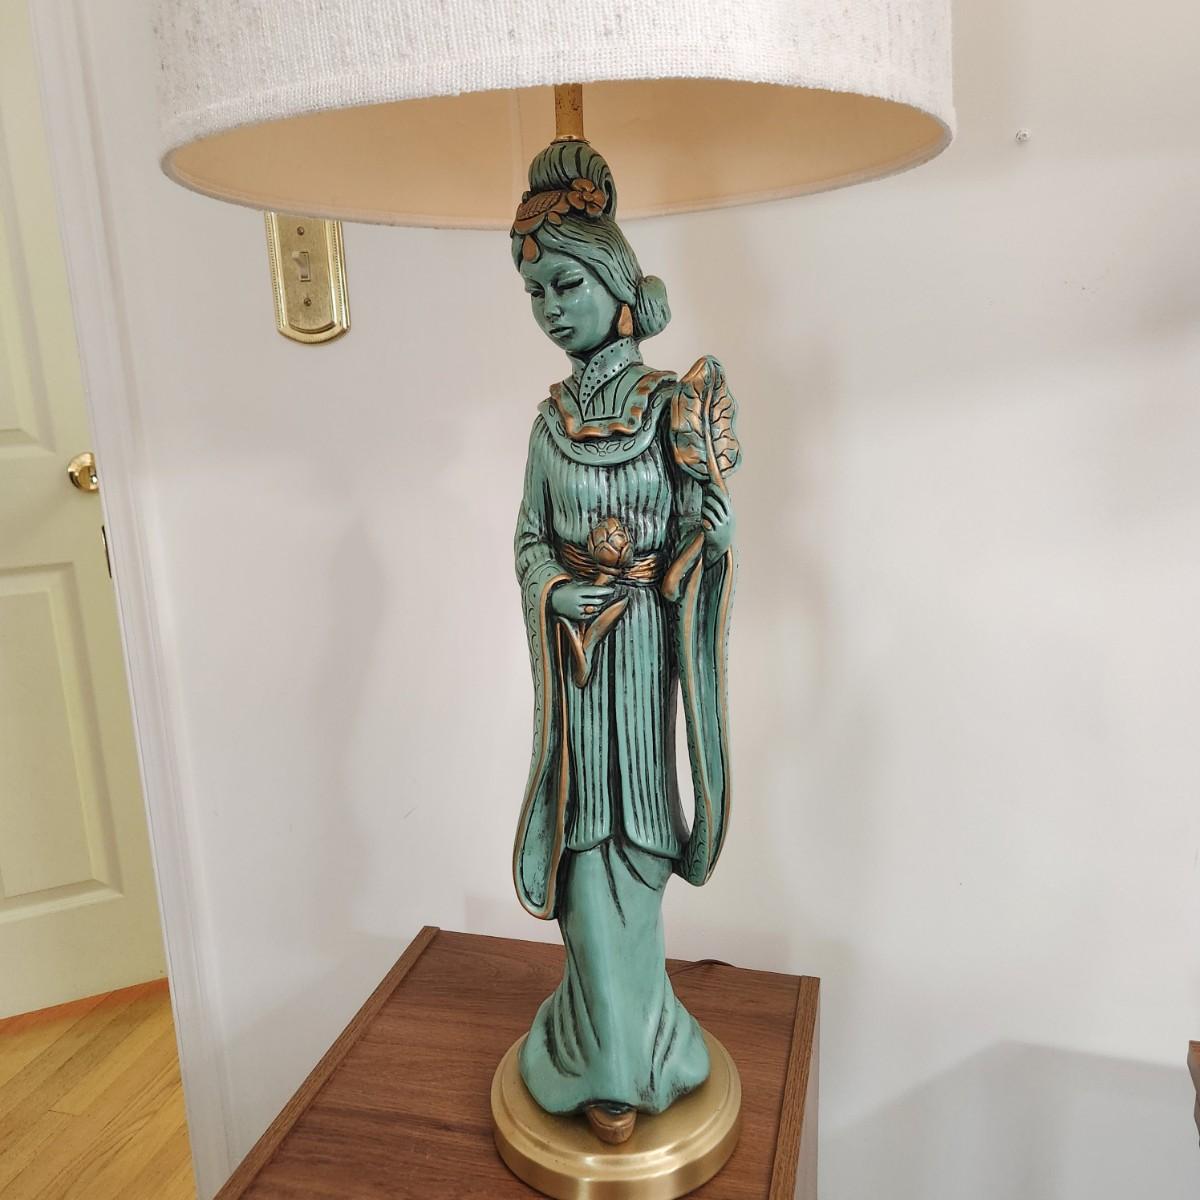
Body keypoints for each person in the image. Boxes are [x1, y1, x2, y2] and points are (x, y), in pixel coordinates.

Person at [510, 138, 740, 1145]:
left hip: (643, 660)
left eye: (566, 285)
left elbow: (696, 542)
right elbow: (528, 540)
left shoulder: (667, 409)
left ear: (614, 283)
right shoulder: (549, 424)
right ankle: (605, 1053)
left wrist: (712, 546)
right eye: (535, 293)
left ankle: (636, 1047)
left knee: (635, 850)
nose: (551, 309)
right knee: (578, 850)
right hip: (578, 669)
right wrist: (555, 590)